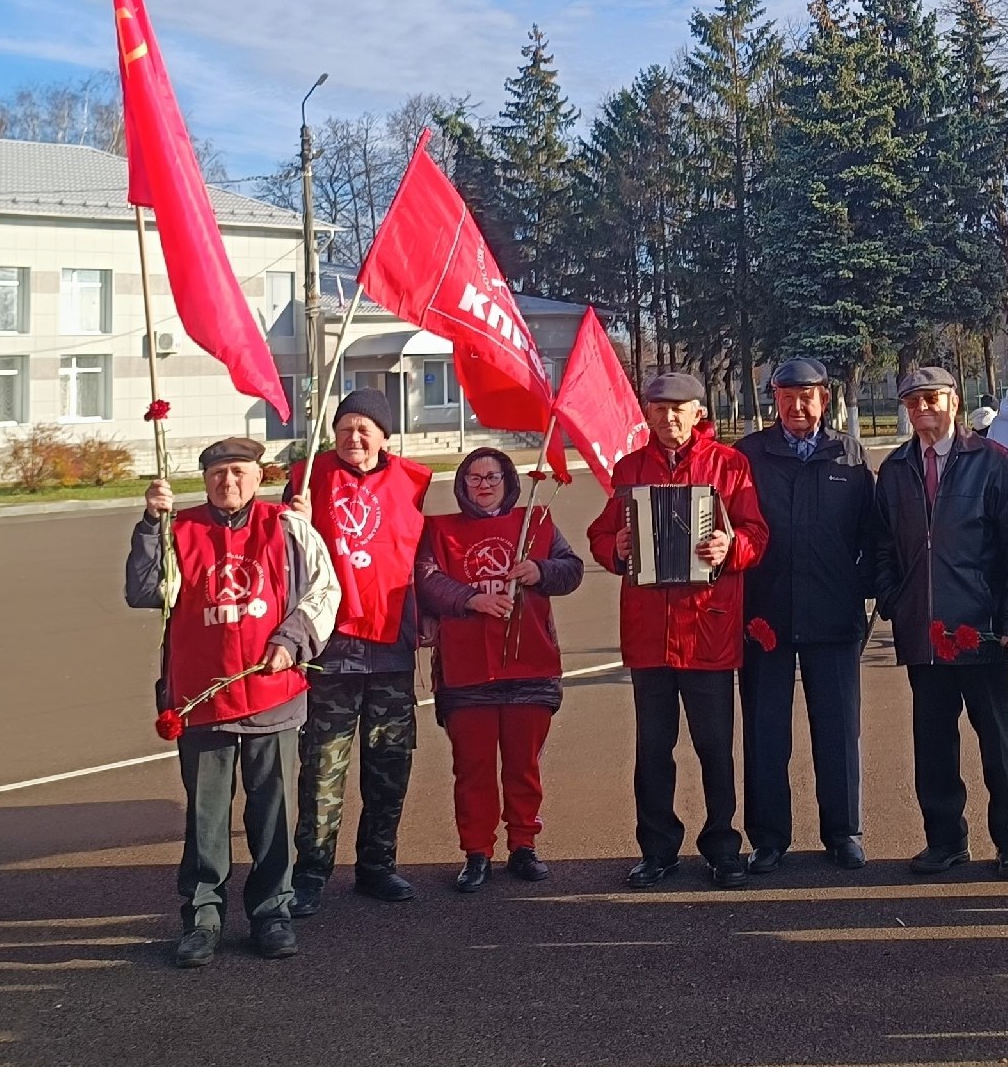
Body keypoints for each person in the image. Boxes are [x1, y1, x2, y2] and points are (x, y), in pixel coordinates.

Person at [128, 437, 338, 967]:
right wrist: (152, 525)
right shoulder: (179, 530)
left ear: (258, 476)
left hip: (272, 697)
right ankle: (202, 916)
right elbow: (144, 591)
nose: (229, 482)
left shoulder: (288, 527)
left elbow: (324, 590)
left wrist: (291, 641)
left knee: (273, 814)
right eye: (219, 473)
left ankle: (272, 913)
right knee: (206, 817)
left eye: (240, 472)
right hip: (201, 702)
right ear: (205, 480)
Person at [586, 370, 769, 888]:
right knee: (652, 748)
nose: (667, 418)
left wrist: (729, 549)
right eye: (658, 409)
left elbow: (756, 534)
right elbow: (601, 533)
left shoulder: (730, 466)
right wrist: (615, 548)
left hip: (707, 628)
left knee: (715, 747)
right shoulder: (630, 469)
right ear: (648, 413)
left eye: (677, 409)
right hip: (649, 634)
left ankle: (723, 847)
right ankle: (658, 848)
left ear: (697, 413)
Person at [877, 364, 1008, 877]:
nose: (922, 408)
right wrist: (893, 598)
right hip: (923, 629)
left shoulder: (993, 463)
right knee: (933, 744)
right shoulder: (897, 468)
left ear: (953, 400)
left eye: (931, 398)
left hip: (982, 627)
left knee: (997, 740)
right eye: (912, 401)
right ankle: (945, 840)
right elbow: (882, 544)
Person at [283, 388, 433, 911]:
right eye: (345, 426)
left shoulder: (413, 482)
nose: (354, 436)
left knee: (389, 763)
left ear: (385, 434)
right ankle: (311, 873)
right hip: (332, 646)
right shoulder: (307, 478)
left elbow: (422, 557)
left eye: (365, 427)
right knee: (323, 767)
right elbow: (285, 557)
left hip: (391, 646)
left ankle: (377, 866)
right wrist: (292, 517)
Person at [416, 446, 585, 891]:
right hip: (466, 670)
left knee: (522, 766)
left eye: (492, 476)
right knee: (471, 769)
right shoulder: (442, 530)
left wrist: (539, 569)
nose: (484, 484)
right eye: (474, 477)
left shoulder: (536, 524)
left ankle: (524, 844)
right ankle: (476, 851)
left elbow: (571, 570)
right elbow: (427, 579)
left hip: (528, 666)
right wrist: (470, 599)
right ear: (462, 483)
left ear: (509, 481)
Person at [736, 358, 876, 872]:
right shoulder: (749, 455)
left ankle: (844, 832)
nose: (798, 405)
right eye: (787, 395)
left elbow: (873, 535)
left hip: (834, 615)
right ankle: (769, 838)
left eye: (808, 395)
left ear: (825, 397)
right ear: (775, 398)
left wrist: (855, 586)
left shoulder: (850, 454)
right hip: (765, 615)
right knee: (766, 731)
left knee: (839, 730)